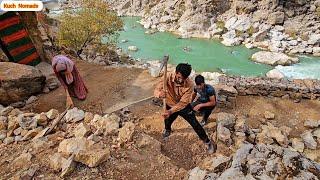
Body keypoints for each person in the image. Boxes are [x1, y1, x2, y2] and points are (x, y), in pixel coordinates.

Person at [154, 63, 216, 153]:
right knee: (168, 120)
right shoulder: (167, 77)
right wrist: (159, 94)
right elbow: (156, 89)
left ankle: (207, 141)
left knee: (195, 123)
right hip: (169, 103)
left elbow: (183, 103)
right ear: (176, 72)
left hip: (182, 106)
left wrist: (171, 111)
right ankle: (167, 130)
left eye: (183, 79)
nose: (180, 80)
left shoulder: (189, 84)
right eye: (179, 77)